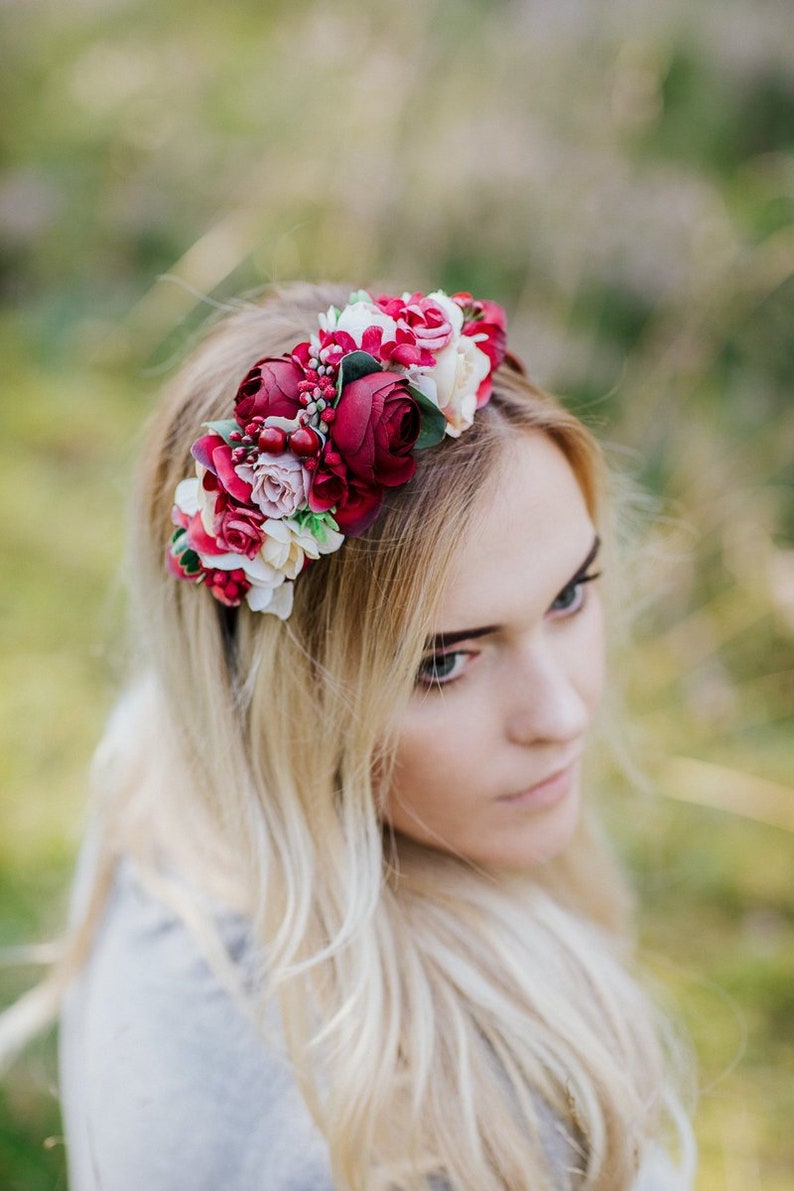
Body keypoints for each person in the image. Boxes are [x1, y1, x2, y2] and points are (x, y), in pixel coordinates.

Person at [10, 282, 696, 1189]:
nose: (562, 715)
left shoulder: (156, 763)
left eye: (569, 595)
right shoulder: (449, 1125)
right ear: (277, 695)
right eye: (443, 662)